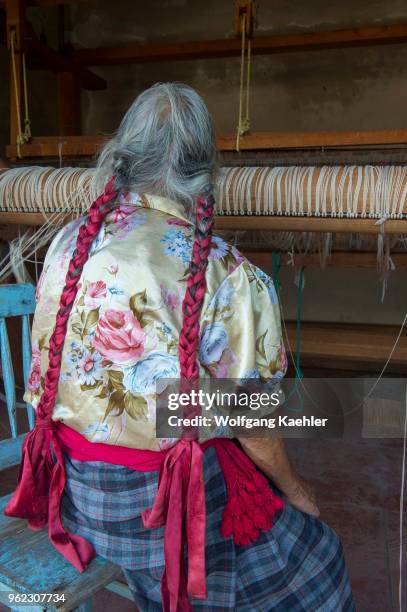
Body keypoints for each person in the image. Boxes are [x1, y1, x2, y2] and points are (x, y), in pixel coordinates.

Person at [6, 83, 355, 611]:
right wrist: (293, 484)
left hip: (75, 494)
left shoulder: (68, 242)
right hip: (159, 513)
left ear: (121, 157)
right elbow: (251, 418)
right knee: (317, 556)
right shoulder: (229, 272)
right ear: (205, 173)